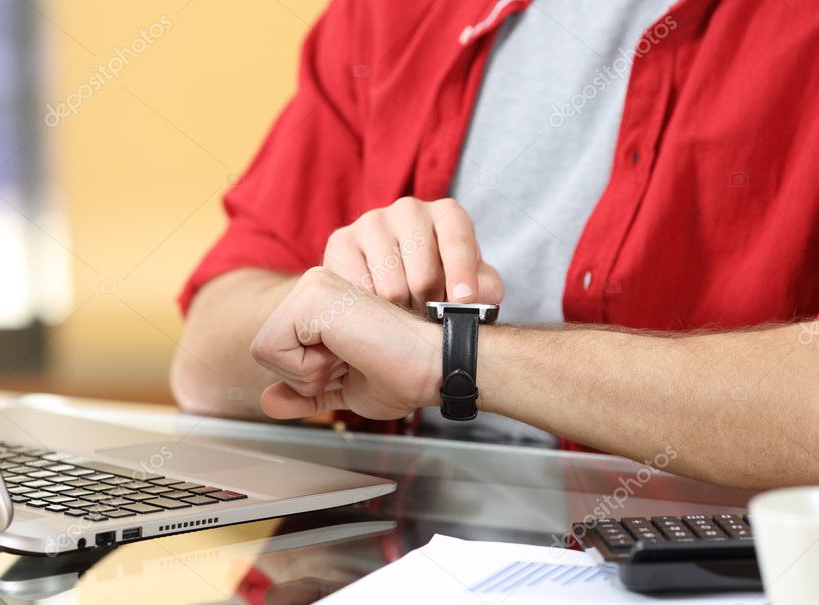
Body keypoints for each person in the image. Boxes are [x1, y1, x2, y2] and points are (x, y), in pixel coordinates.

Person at [171, 0, 819, 489]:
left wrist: (448, 359)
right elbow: (203, 362)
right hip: (380, 591)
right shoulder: (387, 14)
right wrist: (332, 312)